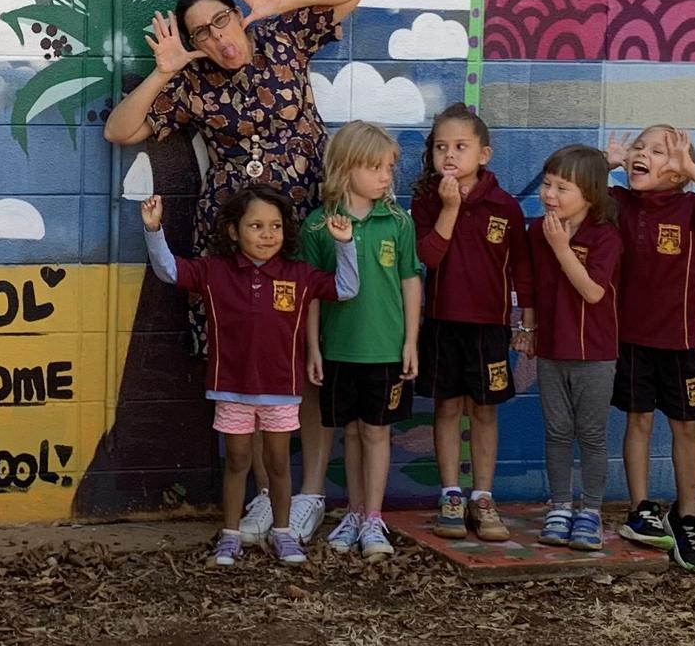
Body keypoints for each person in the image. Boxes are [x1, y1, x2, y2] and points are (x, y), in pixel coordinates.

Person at [104, 0, 367, 544]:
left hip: (304, 226)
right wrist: (163, 71)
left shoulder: (282, 36)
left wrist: (279, 4)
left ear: (236, 14)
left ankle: (309, 494)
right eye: (199, 34)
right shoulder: (190, 83)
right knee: (244, 358)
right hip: (232, 241)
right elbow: (120, 131)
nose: (216, 38)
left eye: (221, 20)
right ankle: (260, 499)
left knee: (307, 355)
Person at [142, 186, 358, 566]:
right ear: (233, 231)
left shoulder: (299, 274)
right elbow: (170, 269)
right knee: (239, 461)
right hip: (231, 388)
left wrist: (345, 243)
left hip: (282, 391)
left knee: (278, 463)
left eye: (275, 226)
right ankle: (230, 535)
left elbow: (345, 288)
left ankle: (283, 533)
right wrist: (153, 229)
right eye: (256, 225)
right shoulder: (214, 271)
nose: (267, 234)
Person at [602, 126, 695, 571]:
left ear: (678, 172)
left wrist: (692, 169)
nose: (642, 154)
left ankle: (687, 516)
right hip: (630, 341)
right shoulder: (618, 203)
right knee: (637, 420)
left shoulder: (692, 209)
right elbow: (573, 183)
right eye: (638, 148)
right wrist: (607, 163)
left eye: (658, 152)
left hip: (680, 344)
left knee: (685, 428)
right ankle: (640, 509)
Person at [409, 103, 533, 541]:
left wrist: (527, 326)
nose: (449, 155)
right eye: (441, 146)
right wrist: (448, 208)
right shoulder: (426, 202)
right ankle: (451, 496)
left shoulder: (505, 207)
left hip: (490, 328)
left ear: (484, 154)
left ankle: (482, 496)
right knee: (446, 408)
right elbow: (428, 257)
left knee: (484, 411)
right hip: (443, 323)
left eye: (460, 146)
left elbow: (523, 269)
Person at [296, 122, 419, 559]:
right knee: (349, 432)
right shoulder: (316, 227)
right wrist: (314, 347)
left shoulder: (398, 222)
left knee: (376, 433)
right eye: (375, 167)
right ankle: (352, 511)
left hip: (385, 349)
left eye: (389, 167)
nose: (386, 176)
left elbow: (410, 282)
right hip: (339, 350)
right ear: (346, 169)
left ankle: (373, 518)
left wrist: (410, 341)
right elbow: (309, 294)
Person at [523, 146, 622, 552]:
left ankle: (591, 510)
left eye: (563, 187)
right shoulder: (538, 231)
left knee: (592, 435)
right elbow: (527, 282)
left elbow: (594, 292)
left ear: (591, 194)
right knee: (558, 432)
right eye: (547, 184)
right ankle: (560, 505)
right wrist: (526, 327)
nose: (550, 194)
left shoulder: (606, 236)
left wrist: (563, 249)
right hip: (551, 349)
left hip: (596, 353)